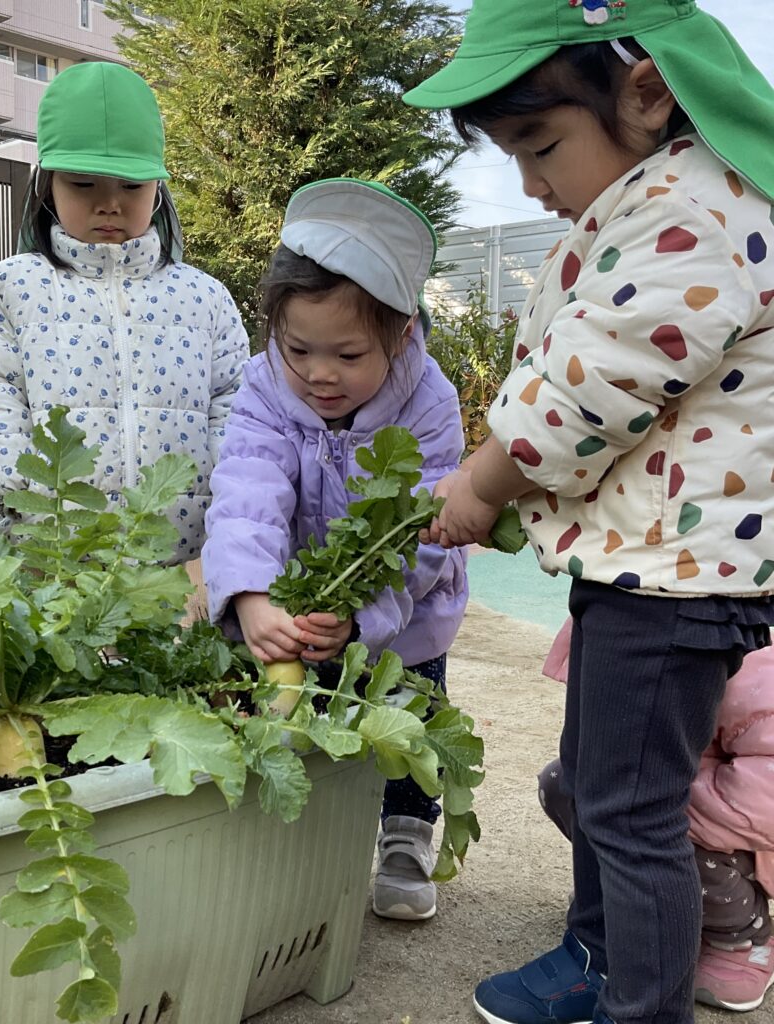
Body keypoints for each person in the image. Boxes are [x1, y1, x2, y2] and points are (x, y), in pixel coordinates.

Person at [407, 2, 774, 1023]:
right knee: (604, 790)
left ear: (646, 90)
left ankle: (638, 1002)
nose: (529, 182)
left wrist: (481, 483)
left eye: (539, 145)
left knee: (630, 812)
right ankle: (597, 959)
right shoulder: (661, 197)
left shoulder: (692, 210)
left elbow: (590, 385)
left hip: (674, 579)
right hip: (646, 569)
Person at [202, 177, 468, 921]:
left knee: (409, 707)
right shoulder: (263, 388)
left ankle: (408, 835)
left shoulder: (430, 402)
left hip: (403, 607)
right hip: (292, 588)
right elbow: (247, 492)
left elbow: (420, 532)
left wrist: (364, 614)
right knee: (298, 707)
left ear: (403, 334)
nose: (320, 374)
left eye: (348, 354)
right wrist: (252, 595)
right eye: (299, 350)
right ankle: (310, 834)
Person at [0, 63, 248, 562]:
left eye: (132, 186)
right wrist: (16, 493)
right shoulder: (5, 289)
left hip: (182, 568)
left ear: (158, 188)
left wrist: (228, 501)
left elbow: (233, 403)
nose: (110, 204)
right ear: (47, 184)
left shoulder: (205, 298)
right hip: (50, 564)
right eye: (84, 184)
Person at [541, 622, 774, 1013]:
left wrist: (660, 796)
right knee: (569, 785)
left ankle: (743, 937)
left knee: (645, 823)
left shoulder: (759, 687)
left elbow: (761, 805)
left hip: (745, 834)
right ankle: (646, 904)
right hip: (691, 790)